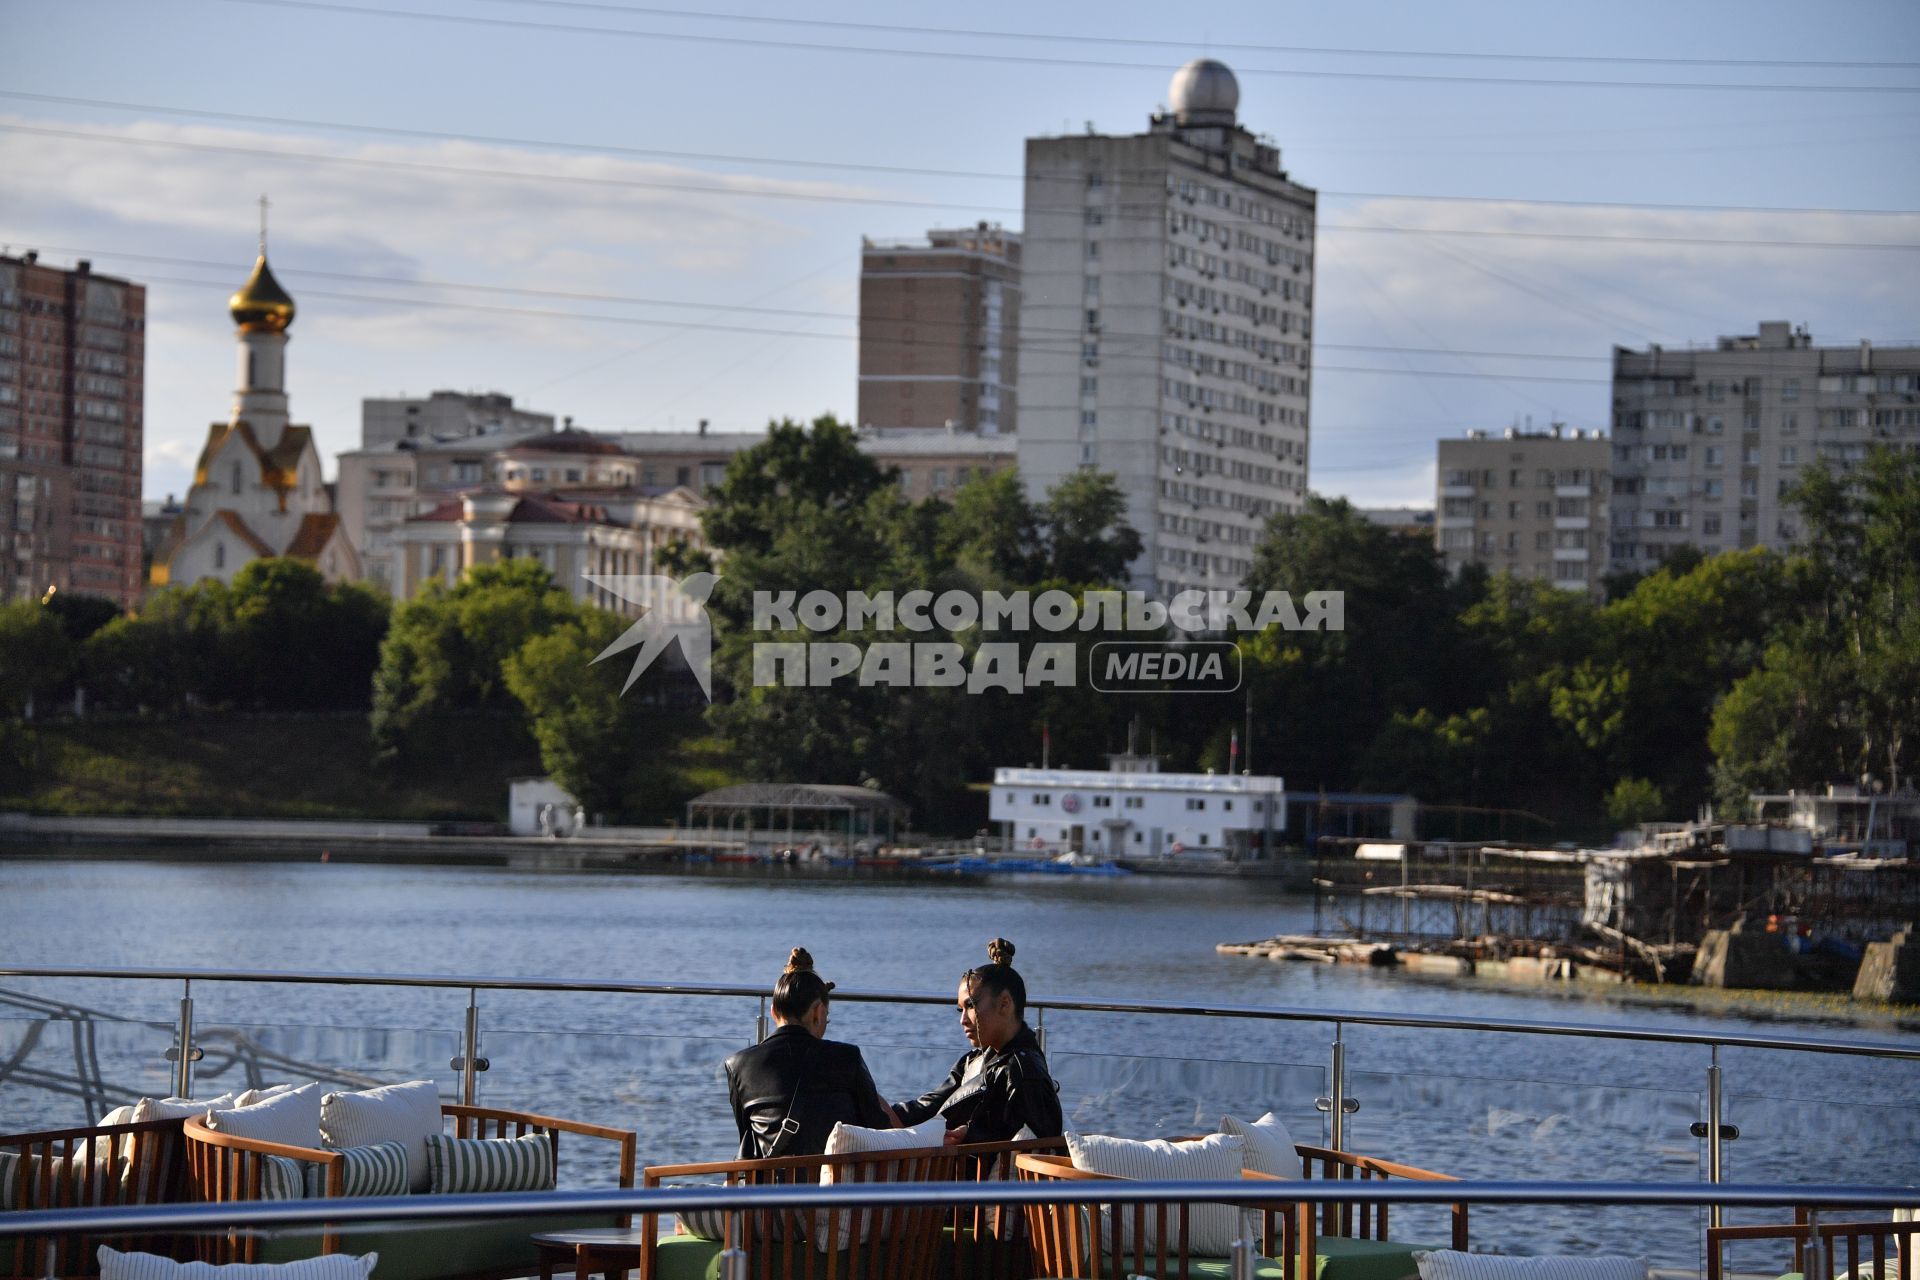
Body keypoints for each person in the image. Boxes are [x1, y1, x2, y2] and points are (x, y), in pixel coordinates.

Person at [723, 948, 895, 1159]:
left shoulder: (739, 1065)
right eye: (826, 1018)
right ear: (818, 1012)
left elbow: (748, 1140)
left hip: (770, 1190)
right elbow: (881, 1133)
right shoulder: (847, 1057)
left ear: (773, 1012)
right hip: (836, 1189)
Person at [893, 938, 1063, 1145]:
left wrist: (971, 1137)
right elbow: (929, 1107)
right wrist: (876, 1109)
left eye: (971, 1006)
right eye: (960, 1009)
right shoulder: (972, 1061)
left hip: (975, 1174)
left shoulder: (1024, 1072)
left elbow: (1039, 1150)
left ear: (1004, 1004)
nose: (963, 1019)